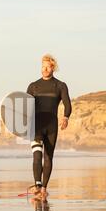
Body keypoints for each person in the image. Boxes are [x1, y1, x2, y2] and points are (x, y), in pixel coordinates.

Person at [26, 54, 72, 199]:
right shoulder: (33, 86)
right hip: (36, 126)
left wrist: (65, 117)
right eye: (42, 67)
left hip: (51, 126)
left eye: (47, 67)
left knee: (48, 157)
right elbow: (24, 107)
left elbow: (67, 104)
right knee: (37, 154)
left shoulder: (60, 85)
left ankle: (44, 188)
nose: (44, 69)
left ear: (53, 68)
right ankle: (37, 185)